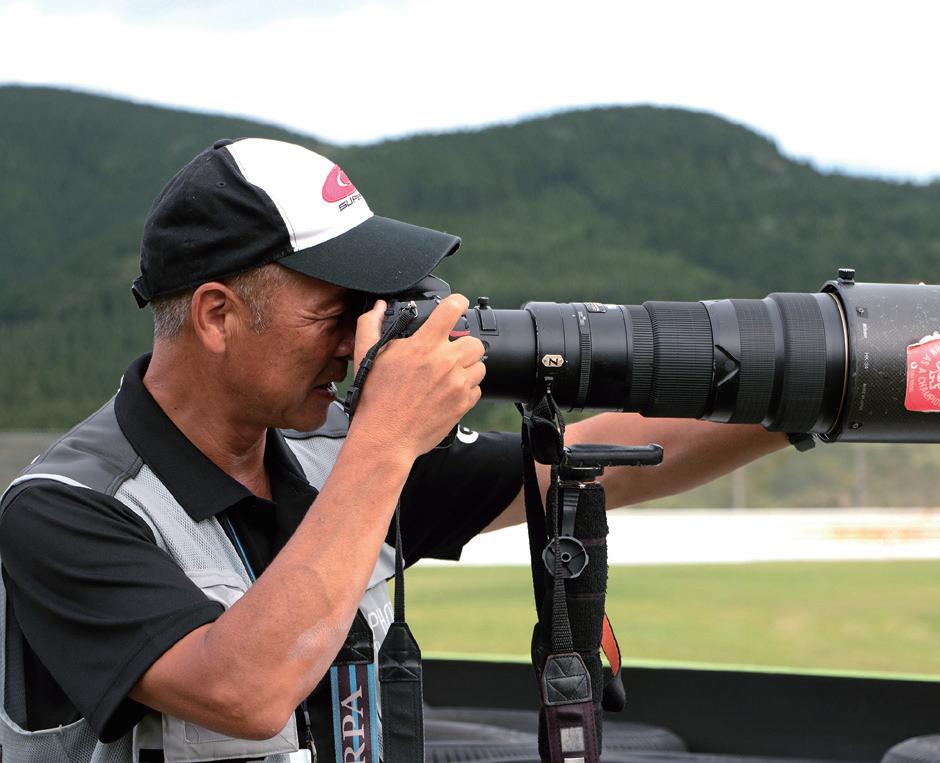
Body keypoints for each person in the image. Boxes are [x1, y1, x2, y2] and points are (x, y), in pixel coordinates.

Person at [0, 138, 789, 762]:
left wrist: (807, 389)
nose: (357, 344)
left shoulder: (329, 448)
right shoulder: (66, 508)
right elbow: (244, 689)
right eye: (336, 312)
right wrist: (386, 438)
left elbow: (590, 460)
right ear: (217, 315)